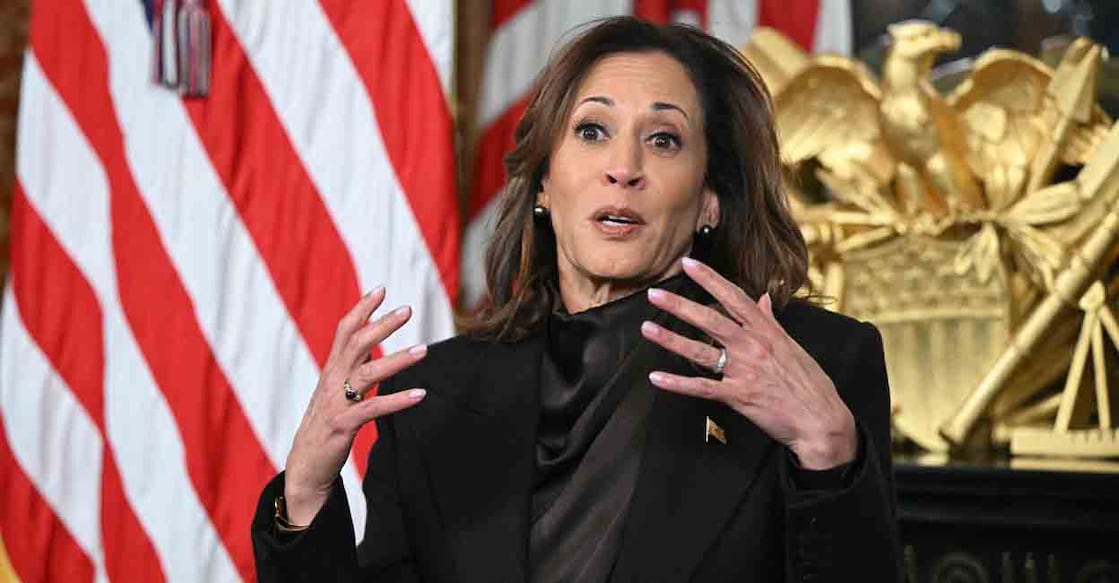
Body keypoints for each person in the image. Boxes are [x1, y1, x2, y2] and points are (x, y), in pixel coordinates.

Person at [251, 16, 901, 583]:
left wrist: (827, 452)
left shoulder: (818, 360)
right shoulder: (433, 397)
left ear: (709, 200)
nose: (623, 167)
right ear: (541, 182)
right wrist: (305, 492)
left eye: (663, 139)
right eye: (592, 131)